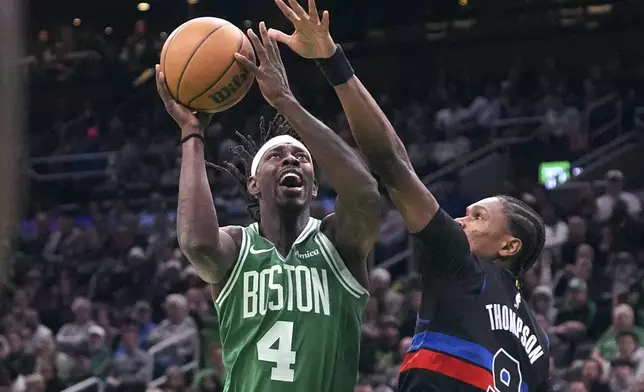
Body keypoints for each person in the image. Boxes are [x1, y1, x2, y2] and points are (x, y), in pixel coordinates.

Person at [268, 0, 551, 390]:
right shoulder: (540, 347)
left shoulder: (464, 264)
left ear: (509, 245)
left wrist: (331, 61)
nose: (459, 221)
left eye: (477, 217)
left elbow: (391, 165)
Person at [154, 19, 381, 392]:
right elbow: (197, 243)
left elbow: (366, 195)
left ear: (312, 188)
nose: (291, 160)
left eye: (302, 158)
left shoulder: (337, 243)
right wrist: (192, 133)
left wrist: (285, 101)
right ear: (254, 184)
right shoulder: (238, 248)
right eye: (277, 155)